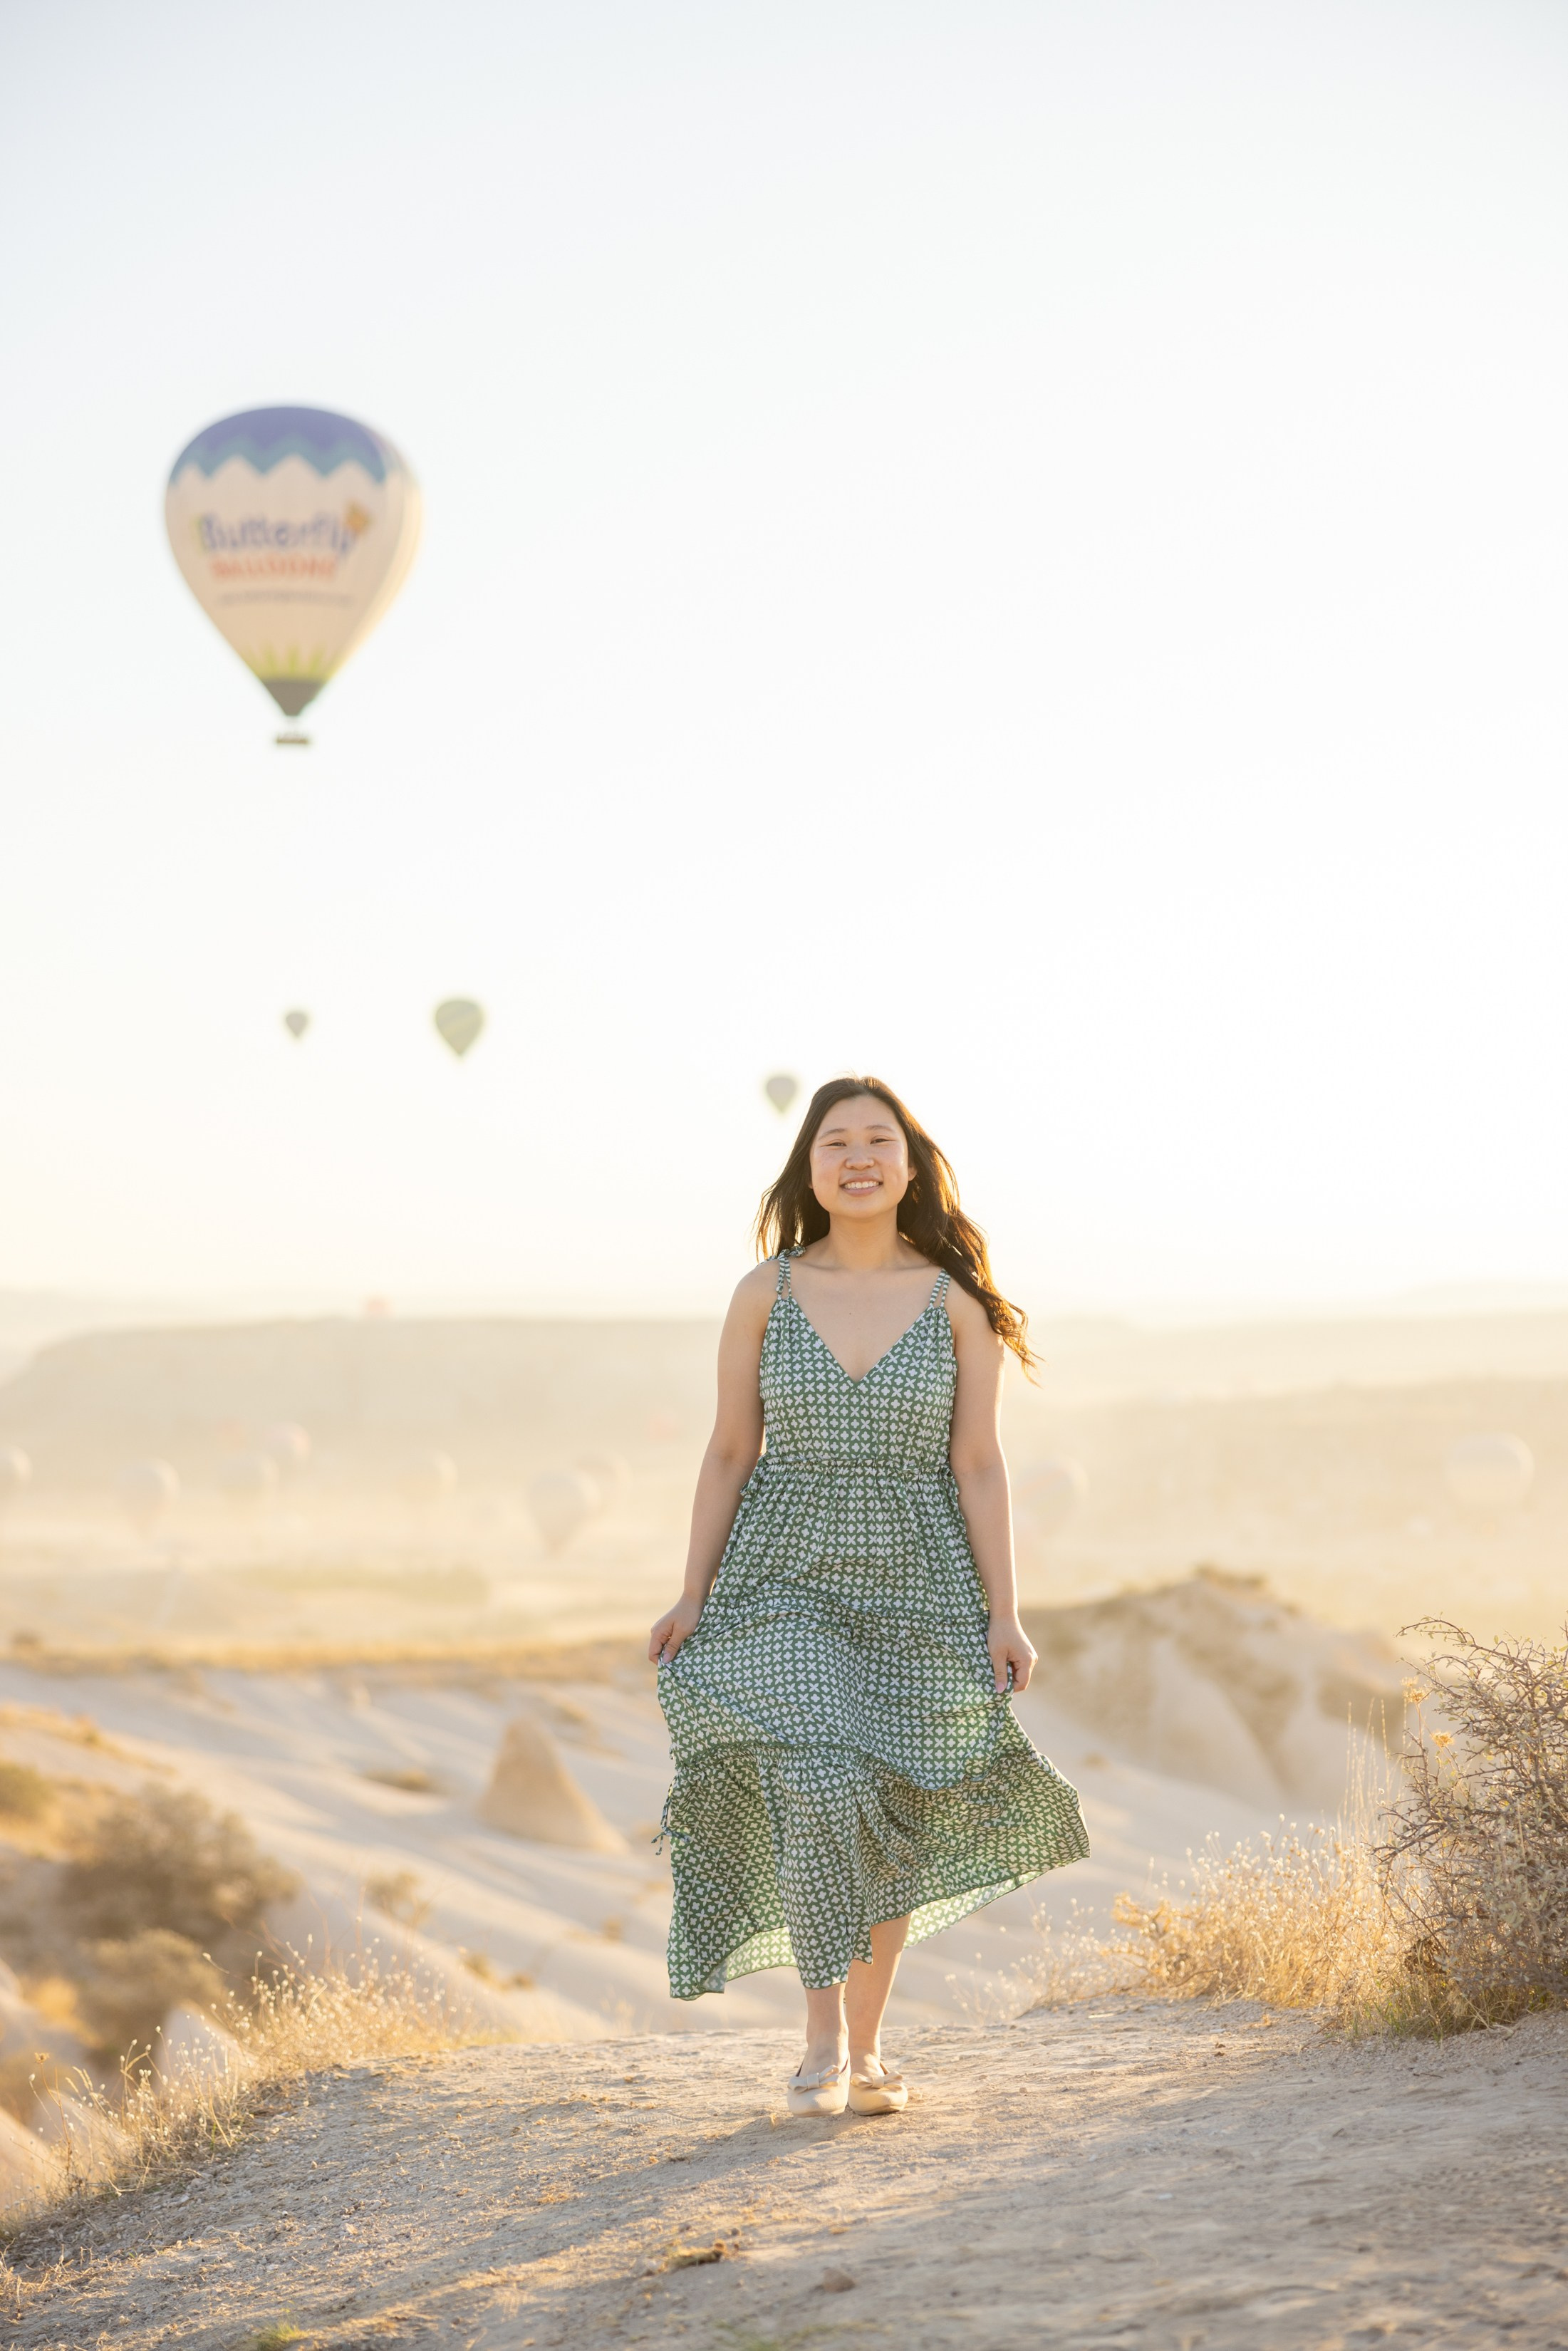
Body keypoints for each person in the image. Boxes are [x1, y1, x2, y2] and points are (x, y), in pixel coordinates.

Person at [650, 1075, 1089, 2117]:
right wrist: (691, 1594)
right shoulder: (763, 1291)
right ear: (809, 1168)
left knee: (895, 1804)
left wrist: (1004, 1611)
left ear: (908, 1164)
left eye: (876, 1140)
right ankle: (817, 2044)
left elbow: (979, 1464)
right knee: (824, 1786)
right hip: (782, 1573)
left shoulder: (955, 1301)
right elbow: (726, 1450)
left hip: (921, 1577)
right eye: (834, 1140)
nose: (856, 1155)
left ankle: (868, 2043)